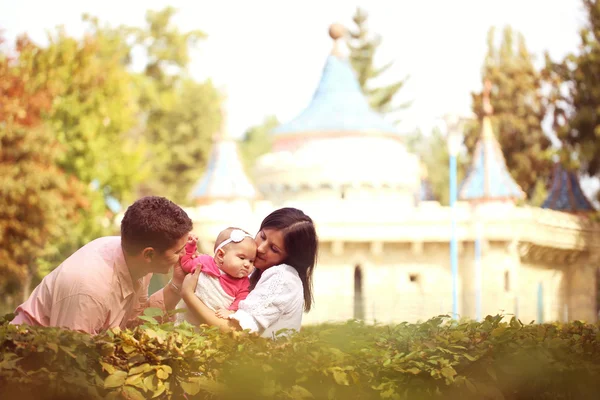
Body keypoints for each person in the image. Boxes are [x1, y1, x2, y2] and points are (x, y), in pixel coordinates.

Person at [10, 196, 193, 335]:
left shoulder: (135, 258)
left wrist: (176, 285)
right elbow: (70, 363)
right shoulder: (90, 289)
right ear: (149, 254)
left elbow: (135, 322)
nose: (184, 255)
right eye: (178, 251)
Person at [181, 207, 318, 338]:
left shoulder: (282, 278)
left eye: (274, 249)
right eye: (263, 236)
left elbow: (237, 331)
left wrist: (188, 295)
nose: (261, 249)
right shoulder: (251, 270)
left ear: (290, 257)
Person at [175, 227, 256, 325]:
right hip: (187, 316)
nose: (247, 264)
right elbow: (186, 263)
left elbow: (241, 300)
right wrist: (190, 246)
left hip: (210, 322)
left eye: (251, 261)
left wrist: (231, 311)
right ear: (221, 255)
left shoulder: (243, 282)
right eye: (242, 258)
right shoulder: (204, 261)